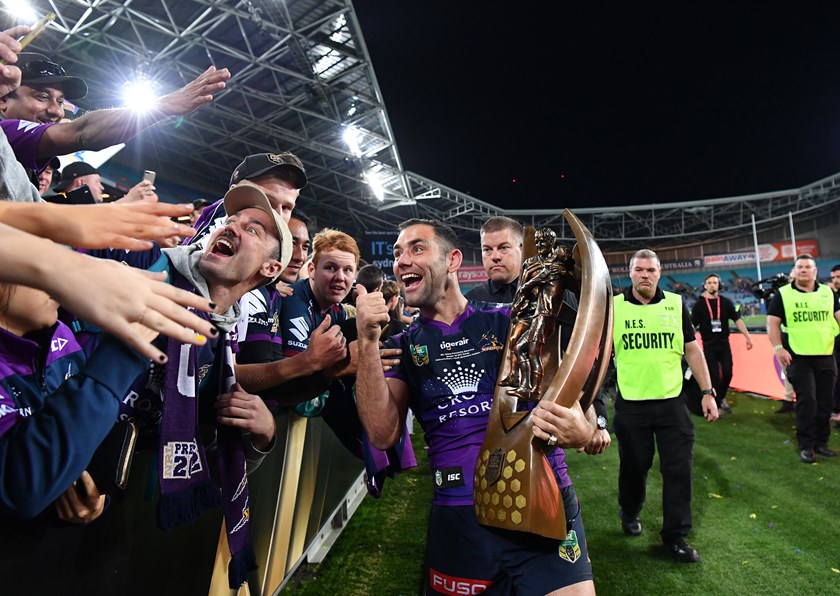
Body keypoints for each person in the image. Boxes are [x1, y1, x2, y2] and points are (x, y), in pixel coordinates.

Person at [355, 218, 599, 594]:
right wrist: (368, 344)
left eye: (417, 248)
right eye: (397, 253)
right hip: (460, 516)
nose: (402, 261)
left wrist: (584, 431)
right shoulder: (404, 347)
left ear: (452, 260)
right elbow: (382, 433)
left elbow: (576, 402)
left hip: (542, 500)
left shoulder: (510, 324)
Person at [612, 249, 718, 563]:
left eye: (651, 270)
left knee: (678, 470)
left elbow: (692, 350)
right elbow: (599, 355)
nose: (645, 275)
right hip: (631, 405)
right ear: (630, 272)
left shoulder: (675, 304)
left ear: (659, 273)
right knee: (635, 468)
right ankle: (629, 511)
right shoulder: (613, 308)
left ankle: (675, 536)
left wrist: (708, 392)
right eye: (639, 270)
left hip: (672, 403)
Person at [0, 51, 229, 184]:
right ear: (3, 100)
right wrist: (164, 106)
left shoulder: (25, 159)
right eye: (42, 97)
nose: (56, 111)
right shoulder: (5, 132)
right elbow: (82, 132)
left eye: (60, 101)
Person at [766, 254, 840, 463]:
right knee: (808, 401)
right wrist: (778, 347)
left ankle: (821, 442)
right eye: (800, 267)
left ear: (815, 271)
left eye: (808, 267)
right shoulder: (783, 294)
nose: (804, 270)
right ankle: (806, 445)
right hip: (798, 357)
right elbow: (772, 323)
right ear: (795, 271)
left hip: (826, 355)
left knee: (825, 402)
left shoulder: (828, 293)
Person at [690, 273, 753, 414]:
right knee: (713, 376)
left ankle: (721, 397)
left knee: (728, 373)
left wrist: (748, 337)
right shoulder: (699, 305)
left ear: (719, 285)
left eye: (715, 283)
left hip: (724, 343)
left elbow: (737, 320)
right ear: (705, 286)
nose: (712, 285)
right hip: (708, 345)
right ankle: (716, 403)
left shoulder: (725, 302)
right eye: (709, 283)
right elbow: (692, 326)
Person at [464, 215, 524, 303]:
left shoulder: (545, 295)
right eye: (487, 249)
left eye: (503, 248)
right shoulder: (470, 302)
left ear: (522, 249)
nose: (495, 257)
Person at [829, 264, 840, 425]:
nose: (836, 281)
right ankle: (837, 411)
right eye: (833, 278)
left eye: (838, 277)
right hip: (835, 344)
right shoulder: (829, 296)